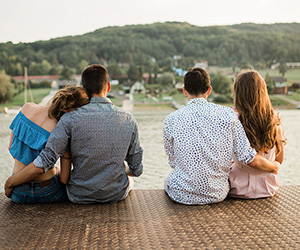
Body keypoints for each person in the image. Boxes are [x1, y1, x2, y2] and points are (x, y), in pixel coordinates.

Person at [5, 64, 143, 204]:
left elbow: (42, 159)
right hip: (114, 194)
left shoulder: (68, 119)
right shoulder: (129, 119)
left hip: (77, 195)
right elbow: (137, 170)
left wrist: (11, 182)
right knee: (129, 180)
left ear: (84, 87)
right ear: (108, 86)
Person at [163, 67, 280, 205]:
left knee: (169, 180)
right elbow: (248, 157)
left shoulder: (170, 120)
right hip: (217, 194)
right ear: (209, 90)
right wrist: (274, 166)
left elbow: (173, 162)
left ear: (184, 90)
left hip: (182, 195)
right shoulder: (227, 115)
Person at [6, 86, 90, 203]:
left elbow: (11, 149)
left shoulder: (26, 108)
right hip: (47, 191)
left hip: (18, 191)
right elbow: (64, 179)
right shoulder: (63, 129)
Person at [228, 70, 286, 199]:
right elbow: (279, 160)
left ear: (238, 94)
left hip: (237, 188)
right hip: (267, 188)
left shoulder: (234, 122)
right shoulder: (275, 123)